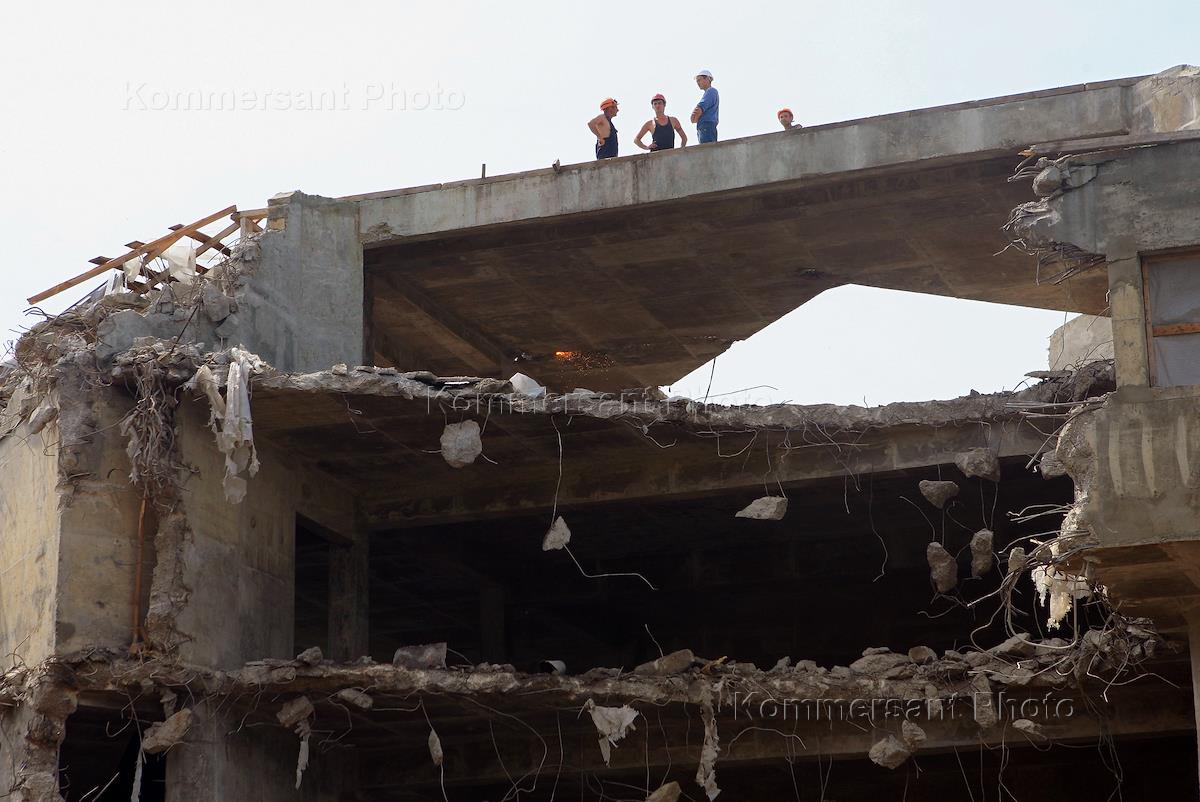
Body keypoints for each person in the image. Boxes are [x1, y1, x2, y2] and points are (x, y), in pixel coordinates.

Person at [689, 70, 719, 143]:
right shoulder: (710, 92)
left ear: (707, 79)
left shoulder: (711, 91)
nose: (698, 83)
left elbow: (700, 108)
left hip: (707, 127)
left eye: (699, 80)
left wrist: (693, 118)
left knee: (706, 151)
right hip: (706, 127)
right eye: (697, 81)